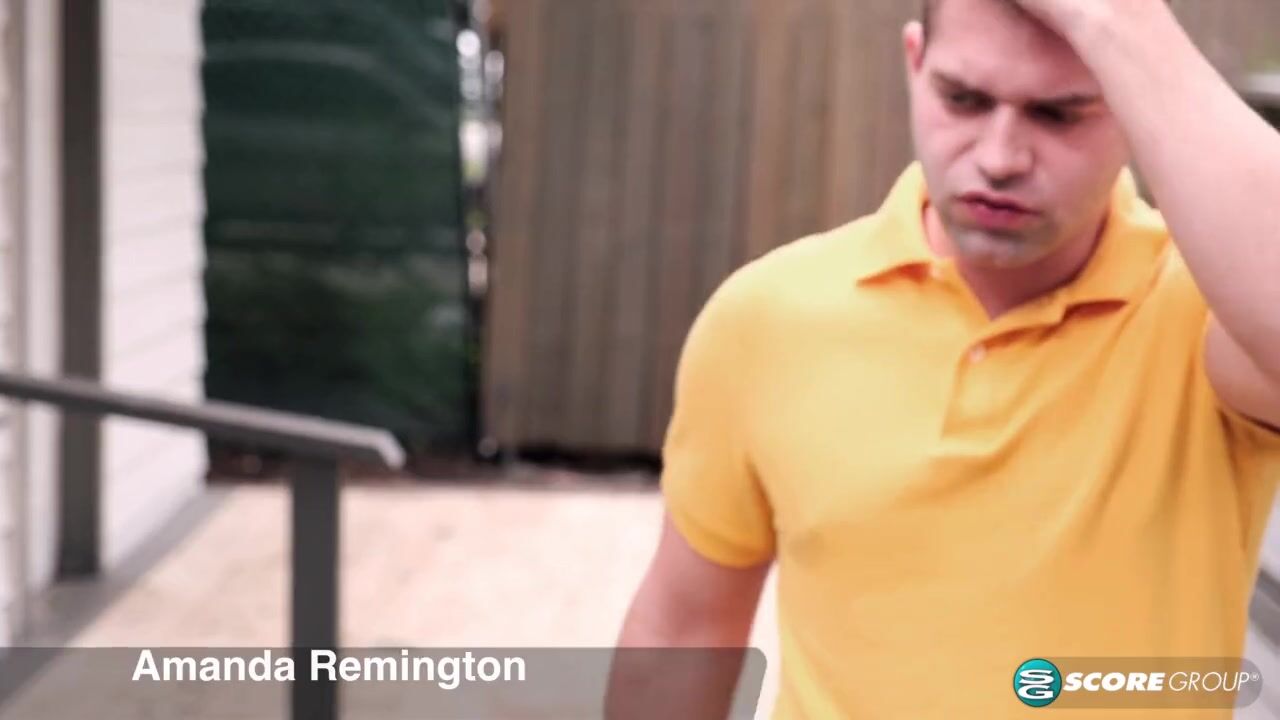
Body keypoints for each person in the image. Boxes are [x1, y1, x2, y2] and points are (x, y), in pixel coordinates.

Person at [609, 0, 1280, 717]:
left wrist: (1121, 22)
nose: (999, 158)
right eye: (963, 99)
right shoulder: (767, 318)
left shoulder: (1205, 317)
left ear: (1133, 107)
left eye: (1058, 114)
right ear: (914, 64)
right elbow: (685, 631)